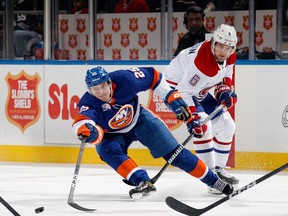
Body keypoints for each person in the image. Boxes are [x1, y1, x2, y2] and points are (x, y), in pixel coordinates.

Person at [72, 66, 234, 199]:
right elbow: (82, 120)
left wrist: (172, 98)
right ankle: (142, 182)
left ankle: (214, 181)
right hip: (111, 134)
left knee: (176, 154)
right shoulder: (88, 102)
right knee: (107, 150)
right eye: (95, 89)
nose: (100, 92)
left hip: (140, 120)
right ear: (89, 90)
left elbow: (154, 76)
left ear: (109, 83)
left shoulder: (125, 79)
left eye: (102, 86)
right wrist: (87, 131)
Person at [164, 24, 239, 194]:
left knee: (227, 125)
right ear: (214, 43)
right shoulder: (202, 63)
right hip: (175, 90)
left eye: (228, 48)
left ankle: (219, 170)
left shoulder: (229, 56)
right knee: (203, 128)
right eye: (221, 46)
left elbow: (227, 74)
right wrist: (192, 118)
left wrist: (225, 90)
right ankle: (212, 180)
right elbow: (184, 91)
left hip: (196, 89)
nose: (224, 52)